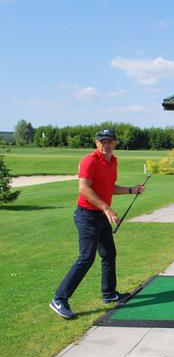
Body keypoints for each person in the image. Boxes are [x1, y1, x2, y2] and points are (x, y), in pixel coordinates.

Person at [49, 129, 146, 319]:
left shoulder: (113, 162)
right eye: (102, 141)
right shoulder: (89, 161)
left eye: (109, 141)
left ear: (115, 143)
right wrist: (106, 208)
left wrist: (130, 190)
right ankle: (59, 298)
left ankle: (109, 294)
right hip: (87, 216)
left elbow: (109, 187)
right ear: (96, 142)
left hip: (101, 216)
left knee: (109, 253)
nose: (105, 144)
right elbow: (84, 189)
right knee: (86, 257)